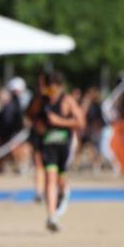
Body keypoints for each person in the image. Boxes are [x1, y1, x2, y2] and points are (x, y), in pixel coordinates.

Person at [38, 71, 85, 231]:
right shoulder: (42, 101)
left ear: (59, 87)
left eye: (52, 88)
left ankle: (64, 193)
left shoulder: (67, 100)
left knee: (60, 180)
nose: (49, 92)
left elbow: (80, 122)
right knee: (49, 178)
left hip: (64, 145)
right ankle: (52, 216)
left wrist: (59, 121)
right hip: (48, 145)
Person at [25, 72, 48, 203]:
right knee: (39, 164)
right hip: (38, 136)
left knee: (50, 165)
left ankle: (49, 190)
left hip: (51, 136)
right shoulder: (36, 99)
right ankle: (39, 192)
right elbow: (28, 115)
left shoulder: (54, 99)